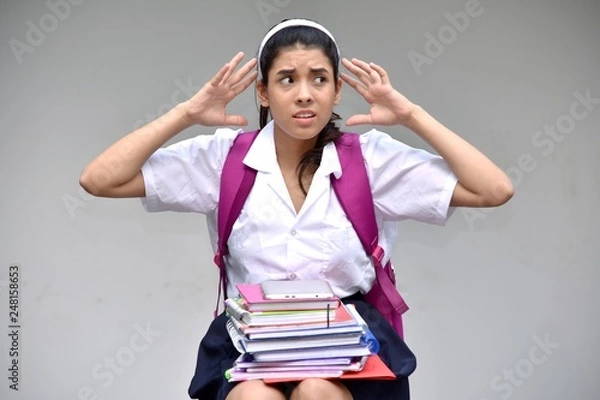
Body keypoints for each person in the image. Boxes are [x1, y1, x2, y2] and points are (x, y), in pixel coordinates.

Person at [80, 18, 514, 400]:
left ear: (338, 90)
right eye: (287, 79)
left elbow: (493, 189)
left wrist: (411, 115)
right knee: (253, 397)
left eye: (319, 79)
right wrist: (187, 114)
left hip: (346, 347)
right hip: (251, 342)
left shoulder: (371, 159)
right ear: (263, 93)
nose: (304, 94)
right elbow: (100, 179)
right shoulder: (224, 159)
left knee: (316, 390)